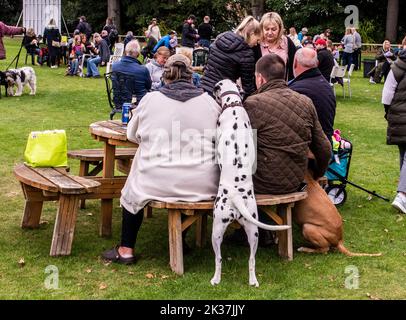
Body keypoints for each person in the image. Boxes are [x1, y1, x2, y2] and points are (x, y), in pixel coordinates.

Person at [102, 54, 221, 264]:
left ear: (164, 76)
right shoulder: (210, 103)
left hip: (155, 182)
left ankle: (126, 249)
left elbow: (131, 135)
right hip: (202, 183)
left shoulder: (150, 100)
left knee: (133, 188)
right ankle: (181, 240)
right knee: (186, 177)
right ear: (191, 75)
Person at [227, 53, 331, 246]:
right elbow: (324, 148)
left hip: (263, 182)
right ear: (284, 75)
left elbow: (238, 147)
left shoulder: (253, 103)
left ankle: (248, 228)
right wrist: (317, 174)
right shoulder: (305, 102)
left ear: (259, 78)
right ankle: (263, 227)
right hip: (296, 181)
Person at [201, 15, 261, 98]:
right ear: (252, 34)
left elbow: (207, 63)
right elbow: (248, 87)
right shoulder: (246, 53)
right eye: (257, 40)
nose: (257, 44)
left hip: (203, 88)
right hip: (222, 93)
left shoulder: (221, 37)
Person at [289, 47, 336, 140]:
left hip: (312, 146)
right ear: (317, 63)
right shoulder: (326, 85)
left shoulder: (295, 90)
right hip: (326, 142)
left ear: (294, 63)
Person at [382, 50, 406, 213]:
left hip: (397, 115)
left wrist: (389, 113)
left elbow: (386, 96)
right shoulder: (397, 66)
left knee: (404, 155)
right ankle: (402, 194)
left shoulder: (396, 66)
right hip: (400, 114)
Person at [253, 12, 297, 81]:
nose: (270, 33)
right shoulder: (256, 43)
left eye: (273, 29)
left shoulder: (287, 42)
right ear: (262, 28)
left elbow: (294, 66)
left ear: (280, 29)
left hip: (283, 87)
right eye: (267, 29)